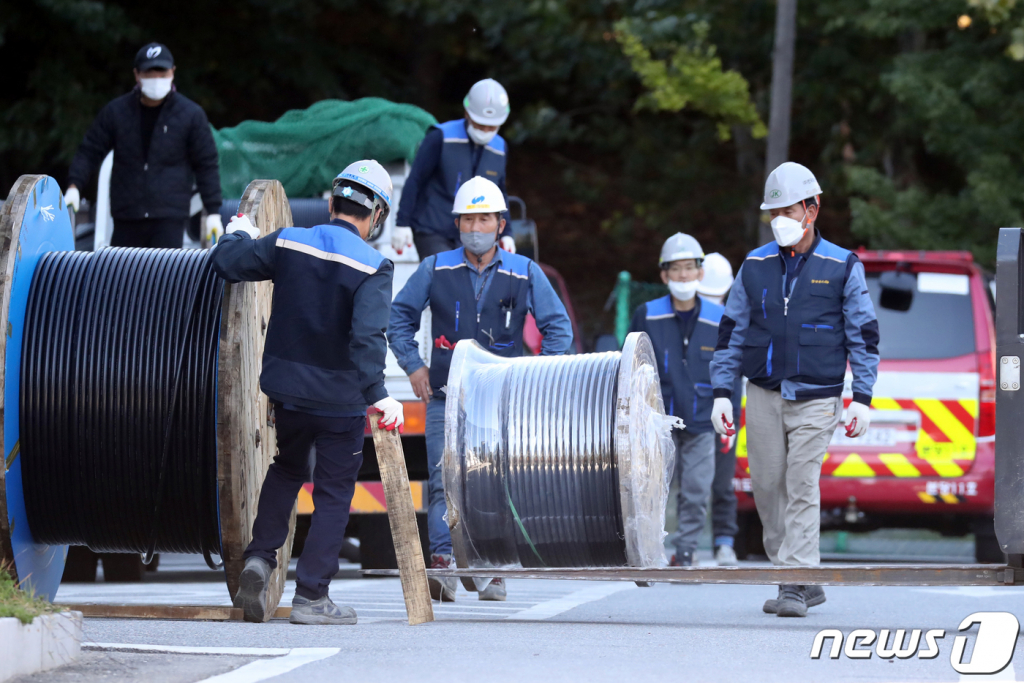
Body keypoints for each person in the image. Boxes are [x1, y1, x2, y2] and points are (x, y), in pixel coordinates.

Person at [211, 160, 404, 626]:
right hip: (340, 402)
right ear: (375, 215)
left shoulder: (289, 241)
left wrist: (237, 231)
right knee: (334, 493)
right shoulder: (374, 265)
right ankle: (312, 597)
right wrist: (379, 394)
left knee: (286, 469)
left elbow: (227, 264)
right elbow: (366, 338)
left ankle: (259, 560)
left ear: (332, 201)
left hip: (287, 395)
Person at [388, 176, 573, 602]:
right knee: (442, 480)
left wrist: (537, 377)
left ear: (501, 224)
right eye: (468, 219)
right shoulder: (435, 268)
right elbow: (399, 318)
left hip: (502, 402)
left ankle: (492, 565)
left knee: (498, 481)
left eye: (484, 218)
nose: (476, 226)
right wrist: (413, 365)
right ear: (457, 224)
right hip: (445, 398)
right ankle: (443, 562)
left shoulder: (524, 272)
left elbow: (557, 329)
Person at [710, 162, 879, 617]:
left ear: (812, 208)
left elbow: (863, 334)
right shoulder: (754, 265)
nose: (779, 219)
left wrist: (861, 397)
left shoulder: (842, 265)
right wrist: (722, 391)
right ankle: (803, 577)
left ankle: (793, 580)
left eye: (787, 210)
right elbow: (731, 333)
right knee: (766, 486)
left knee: (802, 483)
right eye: (773, 212)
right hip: (763, 394)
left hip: (818, 398)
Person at [628, 235, 741, 567]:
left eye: (689, 268)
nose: (682, 276)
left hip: (703, 418)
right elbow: (631, 365)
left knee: (695, 490)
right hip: (655, 420)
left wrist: (728, 413)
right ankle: (648, 550)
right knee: (649, 489)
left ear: (700, 273)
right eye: (675, 270)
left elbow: (730, 368)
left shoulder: (720, 318)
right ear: (664, 275)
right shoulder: (647, 314)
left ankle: (686, 551)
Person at [64, 42, 222, 248]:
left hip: (169, 217)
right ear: (137, 75)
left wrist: (214, 212)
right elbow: (89, 150)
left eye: (162, 72)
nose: (156, 78)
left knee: (165, 277)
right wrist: (74, 186)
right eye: (149, 73)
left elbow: (206, 165)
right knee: (124, 277)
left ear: (173, 72)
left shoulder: (191, 115)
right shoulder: (116, 112)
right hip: (127, 216)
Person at [391, 79, 516, 258]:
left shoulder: (499, 148)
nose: (485, 130)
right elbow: (416, 179)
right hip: (432, 228)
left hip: (472, 234)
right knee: (445, 277)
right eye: (480, 124)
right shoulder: (440, 137)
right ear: (467, 113)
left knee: (471, 283)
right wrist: (402, 223)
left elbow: (500, 192)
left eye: (492, 126)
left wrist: (507, 233)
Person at [696, 252, 740, 566]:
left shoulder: (733, 322)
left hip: (719, 411)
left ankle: (722, 542)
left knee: (720, 482)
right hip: (699, 412)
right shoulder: (686, 321)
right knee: (708, 483)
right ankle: (715, 543)